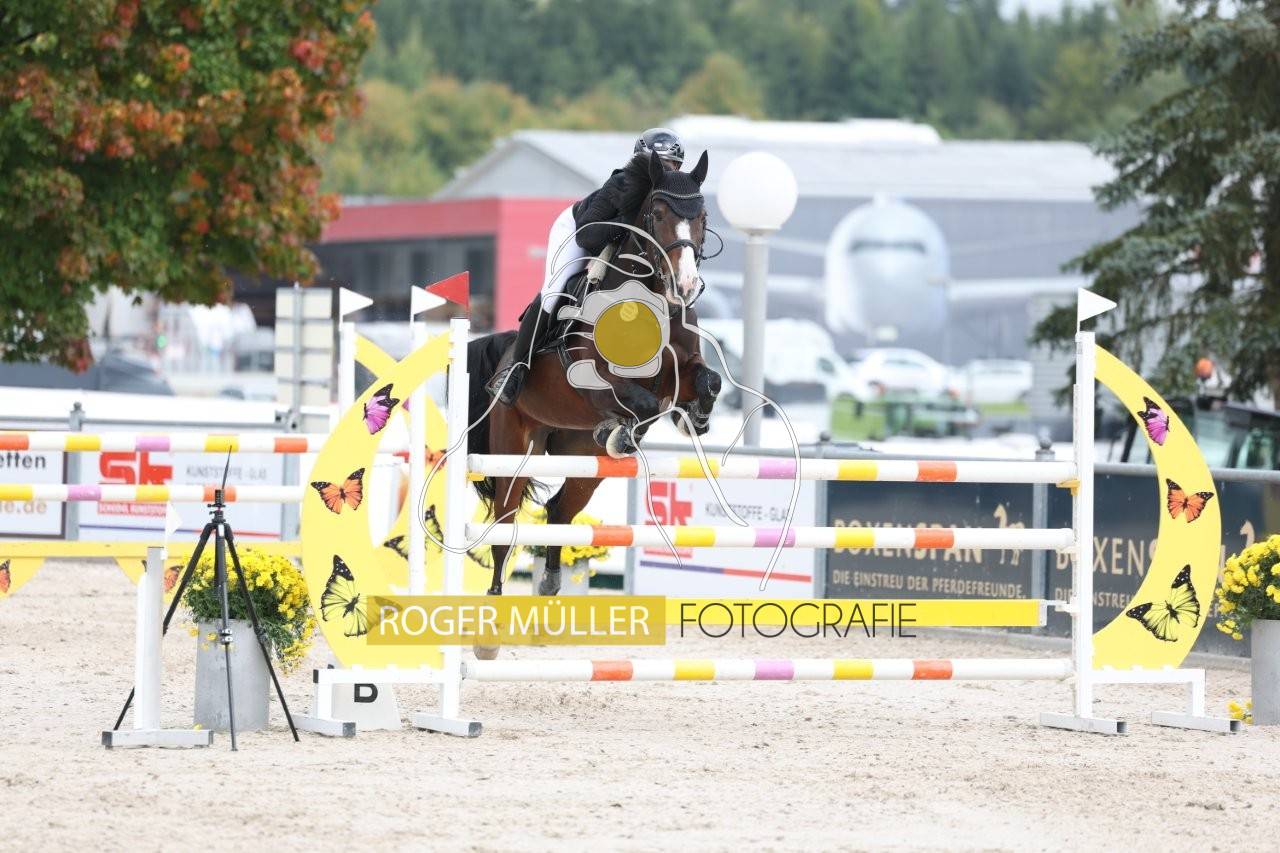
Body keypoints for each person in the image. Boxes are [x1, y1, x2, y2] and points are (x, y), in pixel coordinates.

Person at [493, 128, 685, 406]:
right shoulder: (621, 183)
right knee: (554, 291)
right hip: (577, 231)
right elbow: (587, 236)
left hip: (615, 243)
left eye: (673, 166)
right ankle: (516, 369)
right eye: (661, 165)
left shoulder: (670, 198)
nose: (667, 172)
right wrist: (627, 224)